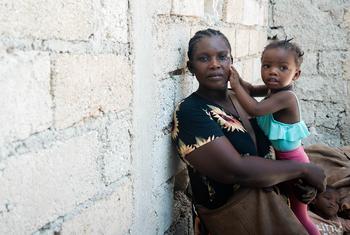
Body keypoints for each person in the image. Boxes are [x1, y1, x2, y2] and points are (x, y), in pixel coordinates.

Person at [171, 28, 326, 234]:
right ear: (191, 67)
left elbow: (271, 153)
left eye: (222, 57)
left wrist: (296, 185)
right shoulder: (191, 112)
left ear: (231, 62)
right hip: (234, 219)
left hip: (275, 209)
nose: (215, 64)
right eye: (204, 58)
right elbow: (236, 170)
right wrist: (304, 170)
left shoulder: (239, 98)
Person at [229, 39, 319, 234]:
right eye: (266, 66)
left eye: (283, 68)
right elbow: (251, 90)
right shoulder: (274, 89)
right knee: (287, 209)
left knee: (299, 215)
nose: (273, 71)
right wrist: (236, 77)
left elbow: (255, 108)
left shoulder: (286, 97)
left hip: (294, 161)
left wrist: (235, 87)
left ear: (296, 74)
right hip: (281, 158)